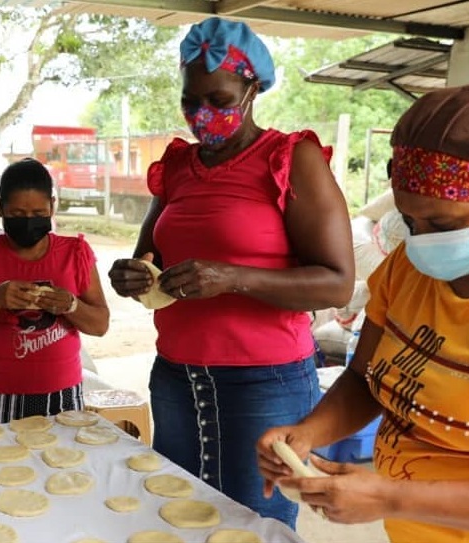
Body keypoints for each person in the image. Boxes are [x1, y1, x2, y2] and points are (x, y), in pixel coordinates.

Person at [256, 84, 469, 542]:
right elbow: (365, 379)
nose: (423, 240)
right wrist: (308, 433)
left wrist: (390, 496)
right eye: (410, 222)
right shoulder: (408, 267)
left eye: (444, 225)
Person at [108, 17, 354, 528]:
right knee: (175, 516)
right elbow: (147, 257)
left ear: (252, 89)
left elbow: (336, 282)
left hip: (264, 384)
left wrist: (234, 277)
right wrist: (131, 275)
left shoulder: (290, 159)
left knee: (252, 525)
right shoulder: (177, 166)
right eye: (190, 101)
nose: (202, 115)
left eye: (218, 101)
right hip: (176, 379)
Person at [0, 158, 110, 423]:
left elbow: (100, 325)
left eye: (38, 215)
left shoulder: (75, 253)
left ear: (52, 206)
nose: (28, 223)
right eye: (17, 215)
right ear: (0, 208)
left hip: (63, 392)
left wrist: (71, 305)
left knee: (63, 463)